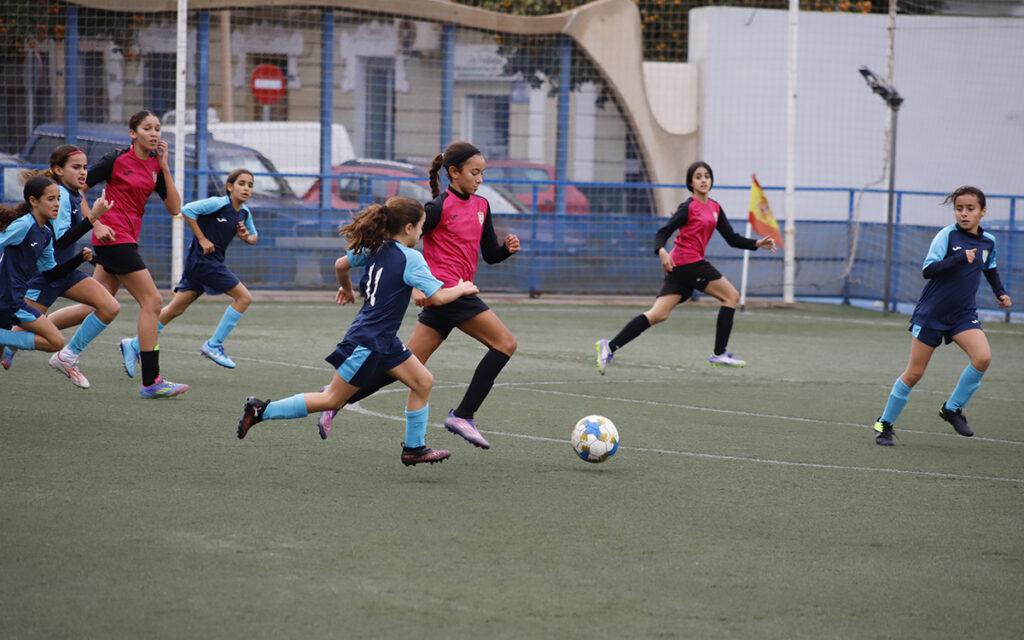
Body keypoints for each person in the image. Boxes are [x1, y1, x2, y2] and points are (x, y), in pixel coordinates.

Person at [235, 196, 479, 467]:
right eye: (421, 227)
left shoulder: (374, 247)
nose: (423, 233)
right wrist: (464, 287)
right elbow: (440, 297)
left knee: (423, 382)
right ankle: (261, 410)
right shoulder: (411, 258)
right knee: (332, 399)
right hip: (368, 342)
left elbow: (341, 265)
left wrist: (347, 288)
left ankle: (414, 449)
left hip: (384, 339)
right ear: (408, 228)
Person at [317, 141, 520, 450]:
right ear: (453, 173)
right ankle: (463, 415)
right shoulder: (438, 208)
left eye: (482, 173)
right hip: (449, 291)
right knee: (505, 344)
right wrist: (415, 286)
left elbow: (489, 254)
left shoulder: (482, 206)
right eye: (474, 172)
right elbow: (400, 246)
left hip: (448, 295)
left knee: (401, 367)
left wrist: (505, 249)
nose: (479, 179)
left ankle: (336, 401)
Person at [595, 160, 776, 373]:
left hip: (681, 266)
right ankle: (719, 354)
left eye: (706, 176)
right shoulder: (688, 207)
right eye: (698, 177)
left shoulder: (715, 208)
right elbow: (662, 233)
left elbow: (732, 238)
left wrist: (757, 243)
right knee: (731, 296)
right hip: (688, 263)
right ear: (690, 183)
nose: (703, 180)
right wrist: (662, 252)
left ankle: (610, 346)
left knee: (658, 314)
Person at [872, 186, 1011, 446]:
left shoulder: (988, 242)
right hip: (932, 315)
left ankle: (951, 409)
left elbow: (990, 269)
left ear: (983, 212)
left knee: (983, 358)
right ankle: (885, 423)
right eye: (959, 209)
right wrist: (958, 258)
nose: (964, 214)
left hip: (962, 315)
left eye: (970, 209)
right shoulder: (947, 236)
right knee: (914, 373)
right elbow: (928, 270)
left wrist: (1000, 293)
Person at [81, 110, 188, 398]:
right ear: (133, 133)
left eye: (157, 129)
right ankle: (151, 381)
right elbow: (75, 189)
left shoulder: (155, 165)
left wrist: (165, 167)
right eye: (147, 128)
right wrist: (97, 222)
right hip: (113, 238)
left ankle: (20, 335)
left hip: (126, 239)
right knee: (152, 301)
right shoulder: (115, 159)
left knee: (95, 305)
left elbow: (175, 207)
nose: (154, 134)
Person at [1, 146, 120, 388]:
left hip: (61, 271)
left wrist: (86, 258)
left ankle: (67, 356)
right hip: (42, 278)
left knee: (109, 306)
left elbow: (57, 246)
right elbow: (61, 240)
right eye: (76, 167)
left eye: (85, 167)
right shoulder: (61, 196)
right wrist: (93, 218)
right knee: (18, 328)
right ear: (58, 170)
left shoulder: (73, 196)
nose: (83, 172)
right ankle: (10, 344)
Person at [120, 169, 257, 370]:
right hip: (204, 263)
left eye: (250, 185)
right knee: (244, 298)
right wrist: (202, 239)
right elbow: (187, 210)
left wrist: (246, 237)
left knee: (176, 309)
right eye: (242, 183)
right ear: (230, 187)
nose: (246, 188)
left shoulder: (244, 213)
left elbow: (254, 236)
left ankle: (134, 344)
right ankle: (214, 345)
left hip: (207, 263)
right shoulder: (218, 203)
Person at [0, 177, 98, 370]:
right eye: (51, 199)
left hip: (14, 300)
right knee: (56, 341)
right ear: (33, 201)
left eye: (59, 199)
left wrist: (79, 259)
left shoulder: (45, 234)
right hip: (8, 300)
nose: (57, 205)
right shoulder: (24, 225)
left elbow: (52, 273)